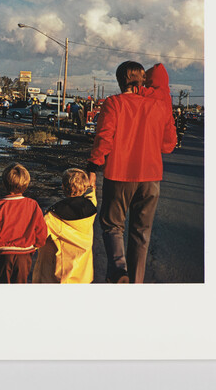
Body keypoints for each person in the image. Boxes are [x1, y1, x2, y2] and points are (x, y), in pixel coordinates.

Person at [87, 61, 177, 283]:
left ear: (119, 82)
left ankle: (119, 270)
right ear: (142, 81)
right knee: (141, 234)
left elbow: (104, 139)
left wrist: (92, 166)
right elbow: (168, 145)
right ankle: (135, 283)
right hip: (151, 178)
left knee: (111, 224)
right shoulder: (159, 106)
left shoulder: (113, 104)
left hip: (119, 175)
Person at [0, 163, 48, 283]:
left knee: (3, 281)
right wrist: (39, 243)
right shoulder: (33, 205)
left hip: (5, 253)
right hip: (25, 252)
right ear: (26, 184)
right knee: (21, 281)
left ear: (4, 184)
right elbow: (40, 228)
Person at [32, 168, 97, 283]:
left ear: (63, 187)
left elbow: (37, 237)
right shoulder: (91, 208)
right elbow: (91, 196)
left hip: (64, 276)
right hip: (84, 276)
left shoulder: (54, 217)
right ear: (85, 187)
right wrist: (91, 186)